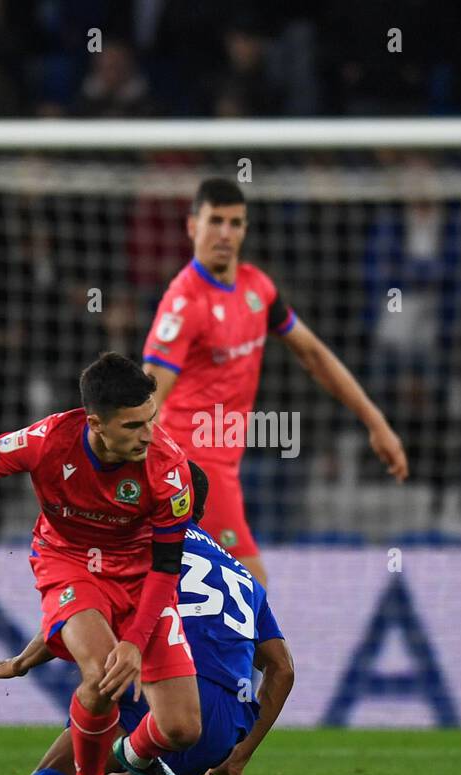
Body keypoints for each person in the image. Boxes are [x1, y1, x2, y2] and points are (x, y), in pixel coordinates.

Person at [0, 353, 203, 775]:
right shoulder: (48, 440)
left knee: (182, 729)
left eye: (151, 419)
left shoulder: (169, 467)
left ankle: (134, 756)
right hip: (69, 565)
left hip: (140, 577)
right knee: (100, 675)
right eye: (134, 425)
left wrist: (135, 640)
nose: (149, 434)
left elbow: (166, 565)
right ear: (95, 423)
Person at [0, 461, 295, 775]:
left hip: (165, 696)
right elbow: (282, 669)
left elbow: (80, 608)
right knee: (131, 770)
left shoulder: (138, 543)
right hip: (225, 724)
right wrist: (239, 755)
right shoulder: (242, 574)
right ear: (199, 509)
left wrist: (22, 662)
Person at [142, 178, 408, 585]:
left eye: (236, 223)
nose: (225, 234)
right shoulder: (185, 303)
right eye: (215, 221)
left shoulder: (257, 289)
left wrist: (376, 422)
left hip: (223, 467)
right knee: (252, 591)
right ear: (192, 225)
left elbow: (313, 355)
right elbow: (149, 394)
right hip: (192, 465)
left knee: (198, 608)